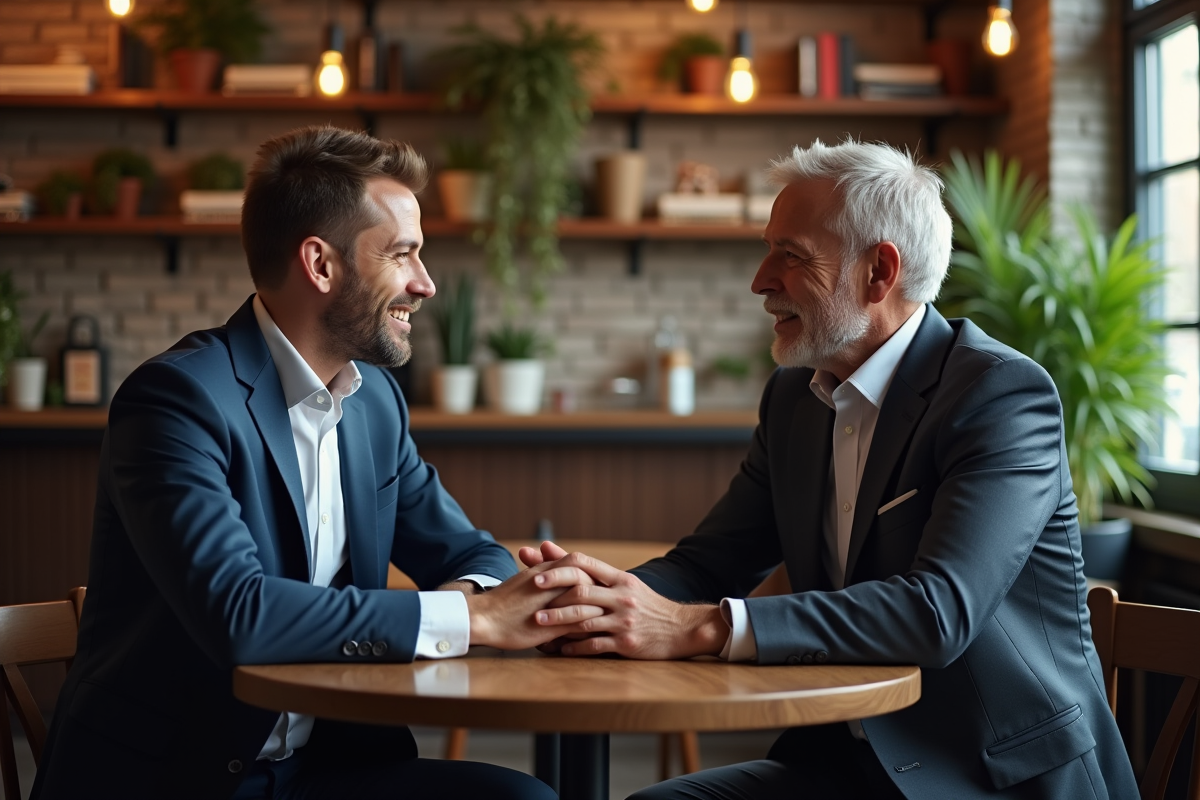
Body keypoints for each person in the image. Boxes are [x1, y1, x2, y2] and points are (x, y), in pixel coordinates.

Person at [523, 140, 1140, 800]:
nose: (760, 280)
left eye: (789, 256)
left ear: (879, 272)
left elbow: (937, 614)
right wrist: (593, 604)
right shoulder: (796, 398)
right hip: (847, 763)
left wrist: (696, 627)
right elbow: (708, 565)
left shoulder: (999, 395)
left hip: (991, 777)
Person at [31, 126, 593, 800]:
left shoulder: (374, 402)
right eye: (403, 255)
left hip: (323, 768)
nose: (426, 283)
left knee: (526, 799)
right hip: (177, 779)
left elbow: (473, 553)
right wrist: (473, 621)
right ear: (320, 265)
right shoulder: (177, 401)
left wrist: (473, 598)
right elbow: (239, 614)